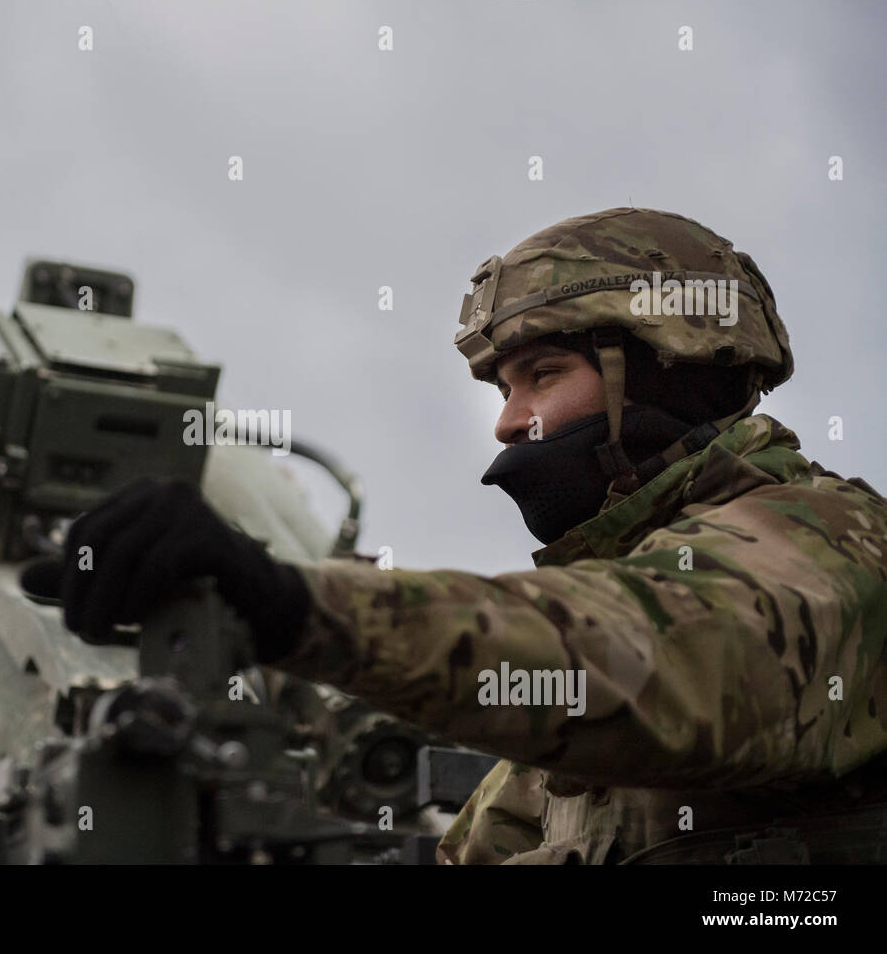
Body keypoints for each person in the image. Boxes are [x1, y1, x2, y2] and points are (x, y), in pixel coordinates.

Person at [57, 207, 887, 864]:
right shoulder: (552, 765)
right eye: (503, 388)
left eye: (543, 376)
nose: (508, 423)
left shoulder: (831, 545)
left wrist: (289, 603)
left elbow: (649, 654)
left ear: (669, 369)